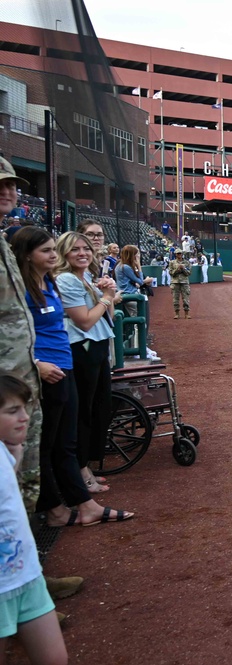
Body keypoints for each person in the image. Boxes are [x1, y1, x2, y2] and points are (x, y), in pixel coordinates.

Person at [14, 229, 135, 526]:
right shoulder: (25, 287)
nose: (53, 255)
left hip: (64, 363)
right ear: (28, 255)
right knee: (52, 442)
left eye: (55, 249)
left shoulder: (50, 282)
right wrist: (36, 362)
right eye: (47, 250)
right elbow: (81, 322)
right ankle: (64, 506)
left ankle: (74, 504)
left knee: (64, 439)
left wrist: (104, 295)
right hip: (49, 368)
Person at [0, 373, 69, 665]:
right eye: (13, 411)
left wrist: (14, 455)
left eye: (24, 409)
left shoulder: (8, 450)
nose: (25, 418)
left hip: (27, 575)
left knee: (55, 659)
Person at [53, 231, 123, 494]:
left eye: (86, 249)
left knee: (98, 407)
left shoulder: (84, 279)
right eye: (75, 249)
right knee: (84, 410)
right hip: (81, 348)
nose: (82, 253)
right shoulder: (67, 279)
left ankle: (84, 465)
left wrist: (107, 293)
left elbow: (109, 318)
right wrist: (105, 298)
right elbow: (84, 320)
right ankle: (80, 469)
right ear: (64, 253)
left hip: (95, 345)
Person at [0, 158, 42, 513]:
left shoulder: (3, 242)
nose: (7, 191)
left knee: (23, 473)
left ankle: (28, 568)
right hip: (3, 384)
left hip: (21, 377)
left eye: (11, 184)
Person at [115, 245, 153, 337]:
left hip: (128, 294)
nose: (138, 256)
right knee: (139, 323)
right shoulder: (125, 266)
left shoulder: (121, 265)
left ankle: (141, 347)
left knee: (138, 322)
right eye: (137, 254)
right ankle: (140, 347)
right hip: (130, 296)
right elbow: (140, 281)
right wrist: (139, 265)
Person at [168, 251, 192, 318]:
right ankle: (177, 313)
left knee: (186, 299)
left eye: (180, 253)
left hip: (184, 282)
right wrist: (177, 269)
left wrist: (183, 269)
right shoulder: (172, 262)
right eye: (178, 254)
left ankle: (186, 313)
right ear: (175, 254)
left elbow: (189, 273)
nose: (179, 255)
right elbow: (171, 273)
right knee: (175, 299)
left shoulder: (186, 262)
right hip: (175, 282)